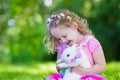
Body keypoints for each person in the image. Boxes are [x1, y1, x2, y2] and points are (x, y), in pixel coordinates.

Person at [45, 10, 106, 80]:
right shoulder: (62, 46)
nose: (63, 41)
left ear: (74, 26)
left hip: (88, 77)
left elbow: (101, 66)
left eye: (64, 36)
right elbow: (59, 66)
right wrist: (60, 67)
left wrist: (84, 71)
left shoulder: (90, 42)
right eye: (58, 39)